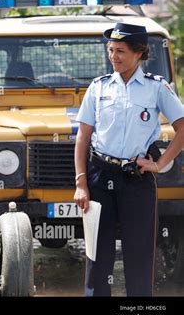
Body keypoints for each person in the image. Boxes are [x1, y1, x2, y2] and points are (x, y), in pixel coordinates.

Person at [74, 23, 184, 296]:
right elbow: (83, 137)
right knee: (98, 256)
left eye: (120, 51)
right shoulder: (98, 87)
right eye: (111, 50)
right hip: (100, 177)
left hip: (137, 180)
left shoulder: (156, 88)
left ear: (139, 53)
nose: (113, 56)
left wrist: (159, 165)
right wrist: (81, 183)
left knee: (139, 255)